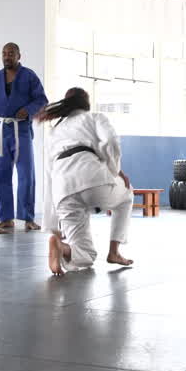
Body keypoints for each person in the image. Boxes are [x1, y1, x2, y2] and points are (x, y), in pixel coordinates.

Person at [39, 87, 134, 276]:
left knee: (82, 253)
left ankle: (61, 246)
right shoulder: (94, 117)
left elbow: (48, 176)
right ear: (86, 103)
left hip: (62, 190)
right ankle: (114, 252)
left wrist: (53, 226)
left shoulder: (54, 131)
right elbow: (111, 142)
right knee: (127, 195)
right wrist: (114, 171)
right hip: (92, 179)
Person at [0, 42, 48, 232]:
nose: (7, 56)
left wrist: (28, 110)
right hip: (1, 129)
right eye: (4, 53)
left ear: (19, 56)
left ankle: (28, 218)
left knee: (26, 174)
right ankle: (6, 218)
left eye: (11, 53)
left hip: (21, 129)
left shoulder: (29, 76)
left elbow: (42, 100)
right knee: (1, 174)